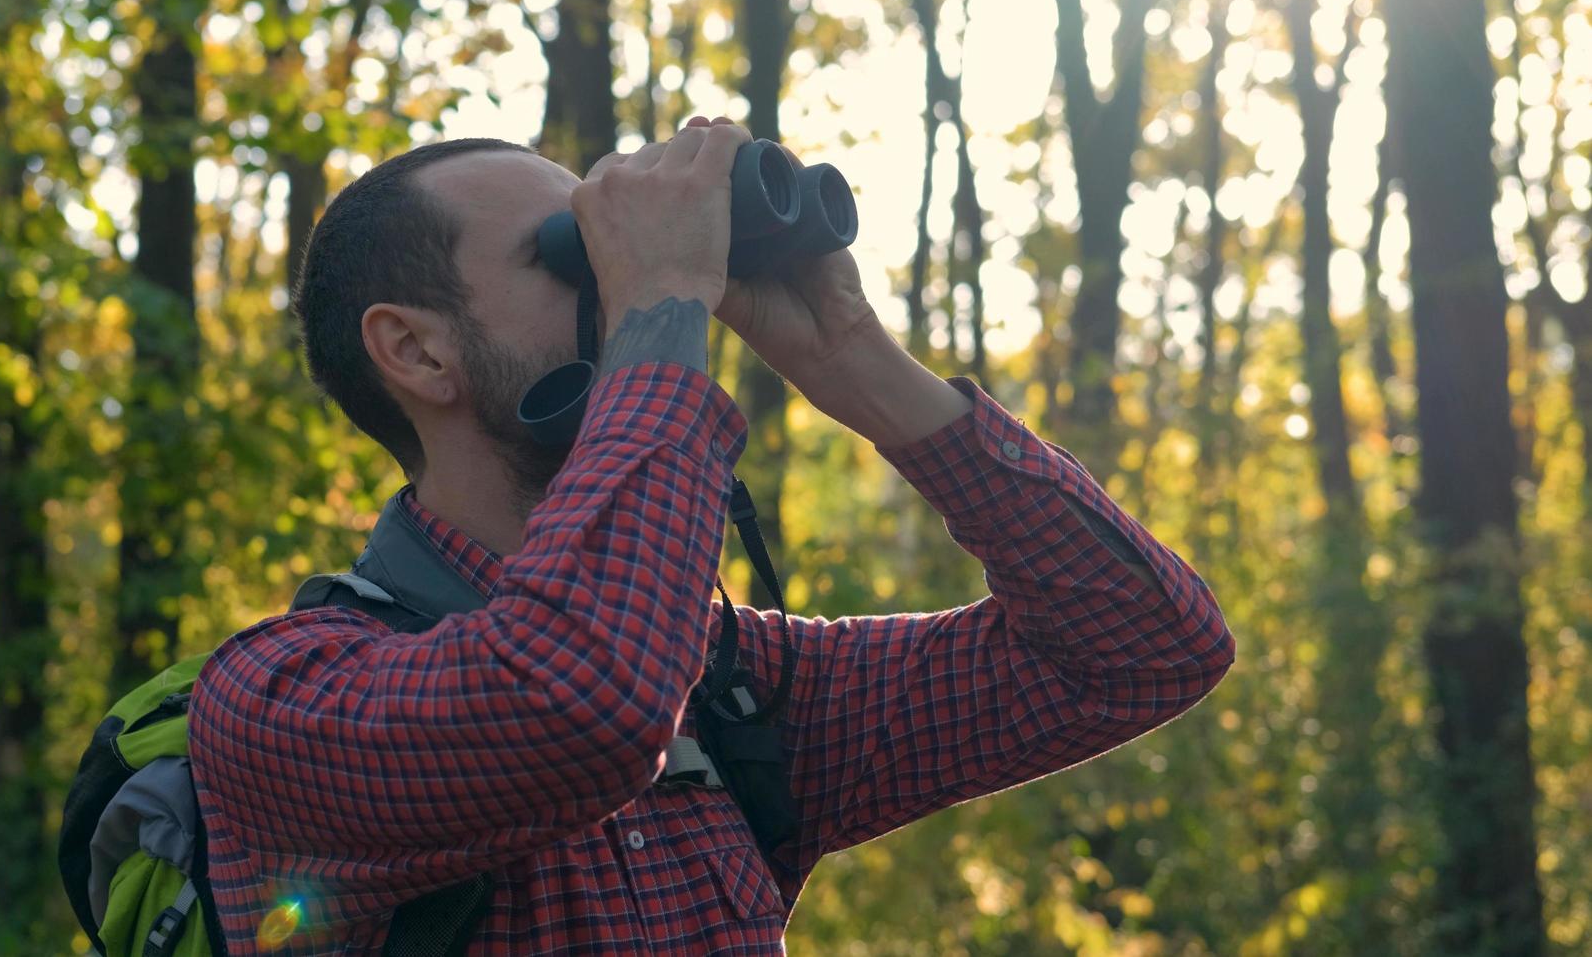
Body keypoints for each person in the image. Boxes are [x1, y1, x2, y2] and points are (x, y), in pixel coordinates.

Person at [187, 116, 1236, 954]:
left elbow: (1140, 650)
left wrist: (853, 359)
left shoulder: (732, 681)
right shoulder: (279, 701)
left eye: (615, 248)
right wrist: (660, 299)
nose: (620, 275)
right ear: (414, 351)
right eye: (572, 256)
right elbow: (579, 697)